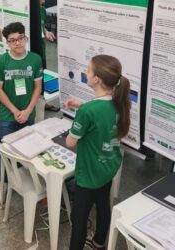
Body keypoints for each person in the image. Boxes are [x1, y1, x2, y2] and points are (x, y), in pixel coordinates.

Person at [65, 55, 131, 250]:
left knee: (79, 219)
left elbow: (70, 142)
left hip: (89, 173)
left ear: (97, 79)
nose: (86, 73)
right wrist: (82, 107)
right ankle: (99, 242)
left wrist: (79, 116)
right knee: (103, 204)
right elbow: (102, 113)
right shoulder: (121, 103)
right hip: (108, 166)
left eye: (88, 70)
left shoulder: (87, 111)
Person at [0, 22, 43, 203]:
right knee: (5, 151)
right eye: (13, 40)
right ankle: (2, 184)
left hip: (28, 114)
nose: (18, 43)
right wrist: (15, 111)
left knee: (27, 149)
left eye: (21, 38)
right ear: (7, 43)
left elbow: (38, 87)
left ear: (25, 38)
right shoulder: (1, 62)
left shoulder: (35, 59)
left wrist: (28, 109)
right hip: (8, 115)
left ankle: (23, 180)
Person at [39, 0, 59, 112]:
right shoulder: (29, 11)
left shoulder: (42, 10)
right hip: (32, 51)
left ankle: (43, 103)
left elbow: (41, 25)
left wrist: (45, 31)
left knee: (42, 77)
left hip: (42, 50)